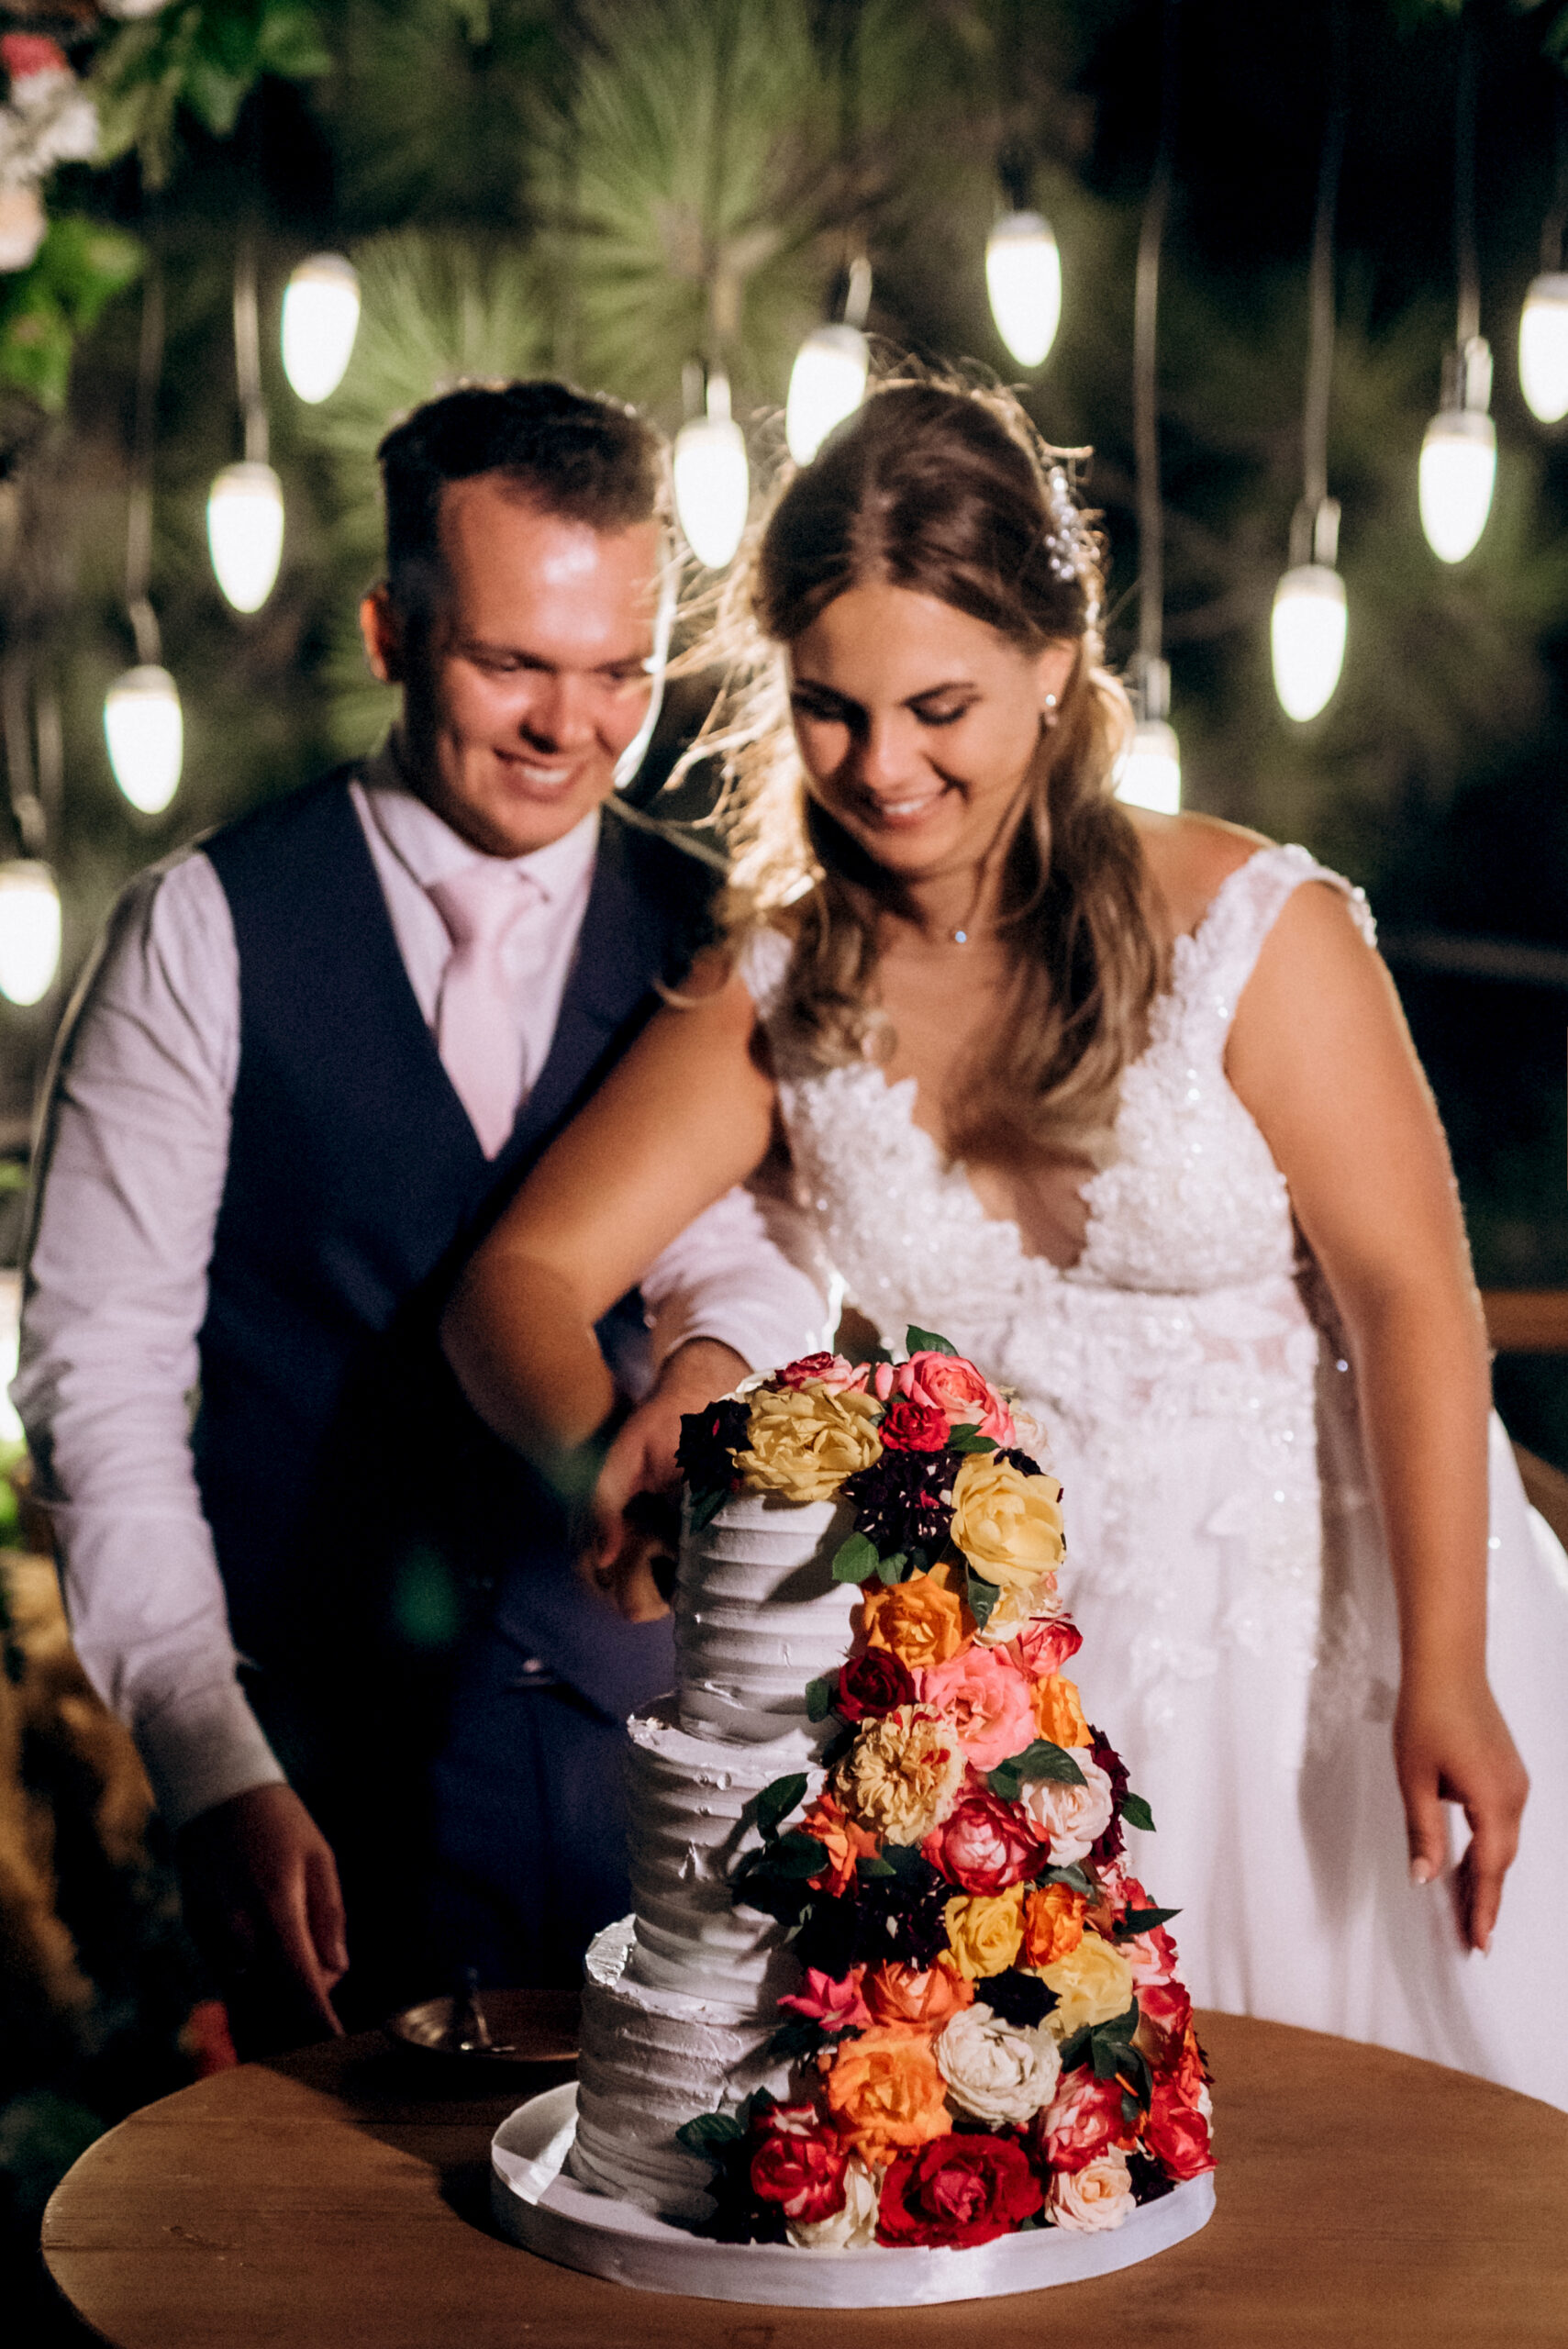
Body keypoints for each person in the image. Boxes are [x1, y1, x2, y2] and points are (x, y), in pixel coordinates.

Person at [440, 377, 1568, 2110]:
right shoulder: (782, 989)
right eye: (829, 712)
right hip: (1015, 1709)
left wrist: (1448, 1673)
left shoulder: (1258, 926)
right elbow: (517, 1283)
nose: (883, 769)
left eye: (937, 705)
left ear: (1056, 661)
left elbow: (1411, 1298)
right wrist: (603, 1442)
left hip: (1343, 1647)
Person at [14, 381, 827, 2047]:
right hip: (320, 1776)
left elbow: (739, 1240)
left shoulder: (717, 927)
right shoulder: (201, 933)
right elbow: (98, 1379)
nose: (568, 725)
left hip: (653, 1763)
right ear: (391, 631)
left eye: (619, 671)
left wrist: (716, 1361)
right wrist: (209, 1764)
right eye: (511, 663)